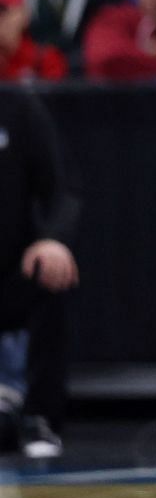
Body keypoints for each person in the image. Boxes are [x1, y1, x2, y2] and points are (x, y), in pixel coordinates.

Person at [0, 84, 77, 458]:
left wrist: (53, 239)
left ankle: (40, 417)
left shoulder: (19, 108)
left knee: (52, 268)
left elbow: (61, 192)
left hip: (12, 270)